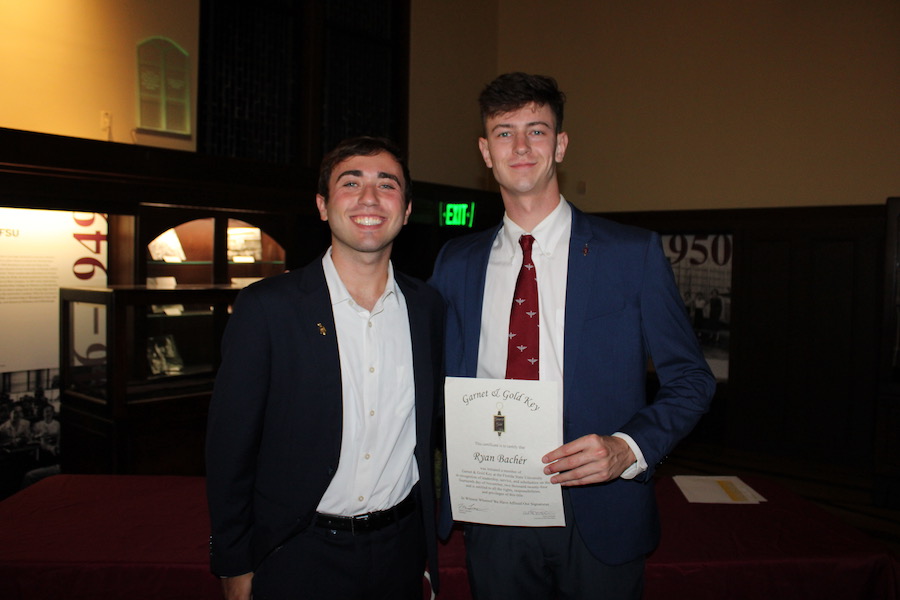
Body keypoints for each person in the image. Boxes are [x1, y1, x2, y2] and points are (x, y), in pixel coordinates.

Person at [429, 72, 716, 599]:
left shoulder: (631, 254)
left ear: (560, 145)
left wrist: (628, 448)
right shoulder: (456, 262)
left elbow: (692, 380)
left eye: (536, 131)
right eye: (504, 133)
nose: (520, 147)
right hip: (494, 508)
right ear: (485, 152)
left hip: (600, 511)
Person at [206, 136, 444, 600]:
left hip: (400, 552)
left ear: (407, 210)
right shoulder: (267, 308)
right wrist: (233, 561)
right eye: (350, 183)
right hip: (298, 553)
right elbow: (229, 447)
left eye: (387, 184)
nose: (369, 197)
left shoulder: (428, 308)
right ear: (322, 205)